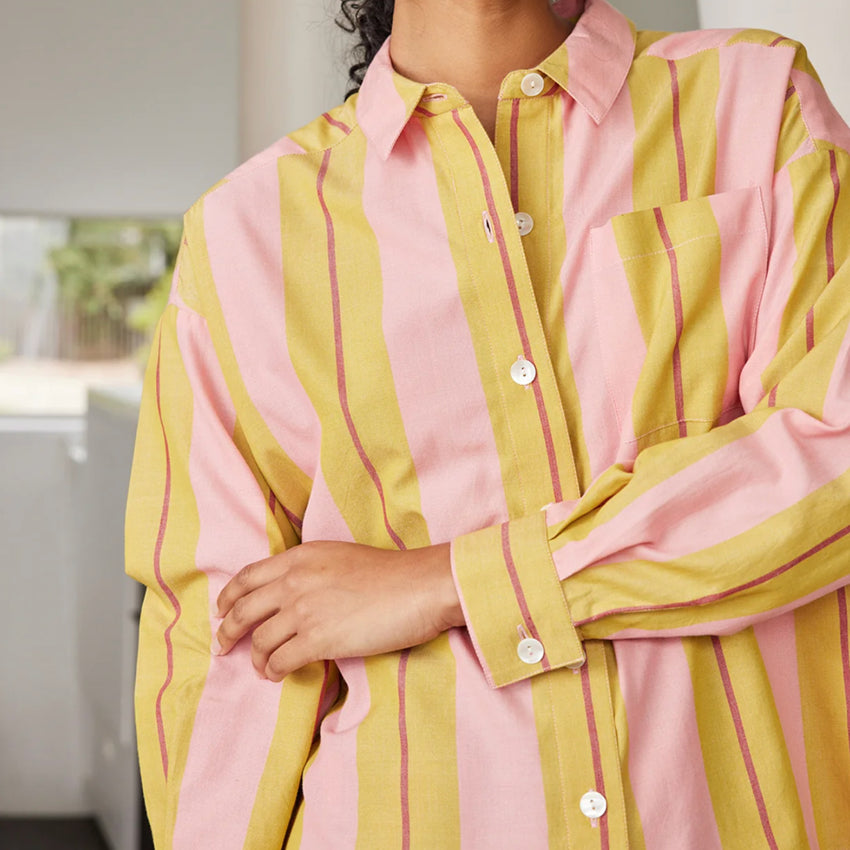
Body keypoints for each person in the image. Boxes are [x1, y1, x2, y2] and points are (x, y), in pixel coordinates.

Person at [125, 0, 850, 846]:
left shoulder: (757, 106)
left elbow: (831, 463)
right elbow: (223, 661)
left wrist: (449, 583)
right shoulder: (244, 232)